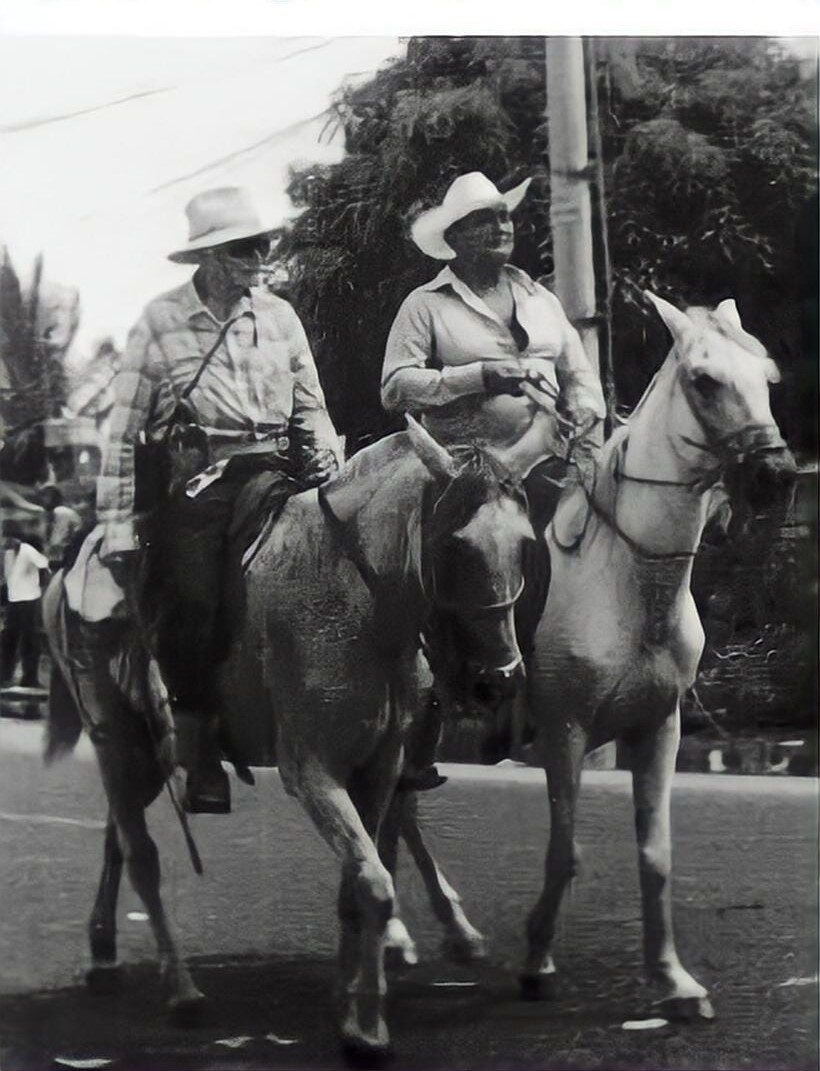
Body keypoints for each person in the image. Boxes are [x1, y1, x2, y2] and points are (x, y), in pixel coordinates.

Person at [96, 186, 342, 813]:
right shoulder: (160, 321)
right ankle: (198, 746)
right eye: (244, 247)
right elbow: (123, 430)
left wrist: (332, 474)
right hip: (204, 480)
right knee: (192, 601)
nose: (260, 255)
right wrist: (118, 526)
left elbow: (311, 407)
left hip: (280, 468)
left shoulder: (281, 317)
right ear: (208, 256)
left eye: (264, 244)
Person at [382, 172, 606, 785]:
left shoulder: (540, 298)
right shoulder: (426, 304)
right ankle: (430, 711)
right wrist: (478, 376)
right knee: (474, 560)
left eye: (505, 218)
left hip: (548, 455)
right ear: (454, 238)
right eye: (486, 221)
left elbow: (579, 373)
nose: (502, 228)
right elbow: (395, 386)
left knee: (611, 533)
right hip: (466, 465)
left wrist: (587, 410)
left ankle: (618, 674)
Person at [1, 533, 49, 689]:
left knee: (10, 640)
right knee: (29, 640)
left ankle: (5, 676)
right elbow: (44, 563)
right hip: (28, 600)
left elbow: (7, 578)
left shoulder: (8, 552)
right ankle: (29, 678)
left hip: (14, 600)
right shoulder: (26, 549)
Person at [39, 485, 83, 570]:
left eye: (46, 496)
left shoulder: (63, 512)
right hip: (56, 556)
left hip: (65, 556)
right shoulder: (45, 514)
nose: (43, 500)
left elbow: (60, 538)